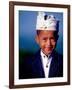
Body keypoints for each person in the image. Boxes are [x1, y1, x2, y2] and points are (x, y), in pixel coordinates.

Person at [19, 12, 63, 79]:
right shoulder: (27, 63)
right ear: (37, 39)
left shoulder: (64, 62)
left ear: (57, 38)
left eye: (52, 39)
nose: (48, 44)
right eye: (44, 39)